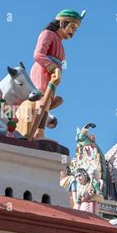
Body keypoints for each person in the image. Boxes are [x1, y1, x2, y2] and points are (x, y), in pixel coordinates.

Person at [29, 9, 86, 139]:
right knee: (43, 99)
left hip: (53, 76)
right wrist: (53, 67)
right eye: (72, 27)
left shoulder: (60, 43)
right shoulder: (47, 34)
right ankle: (39, 131)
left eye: (75, 29)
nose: (73, 32)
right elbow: (38, 54)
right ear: (62, 23)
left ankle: (42, 120)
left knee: (47, 100)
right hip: (42, 71)